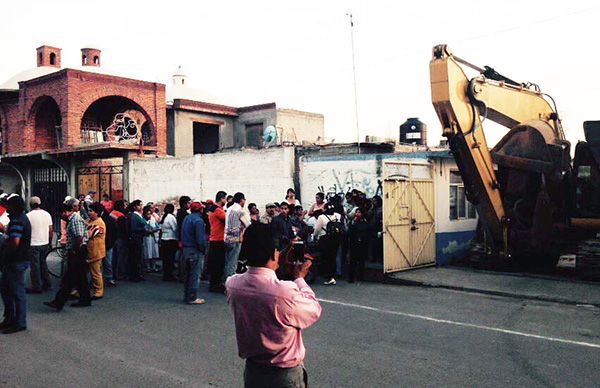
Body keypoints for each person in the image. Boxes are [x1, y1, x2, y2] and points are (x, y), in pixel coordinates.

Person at [226, 223, 321, 388]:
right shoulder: (285, 292)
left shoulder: (233, 284)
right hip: (283, 374)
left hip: (253, 371)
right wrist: (299, 279)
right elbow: (313, 310)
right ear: (274, 253)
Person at [44, 201, 92, 311]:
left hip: (77, 251)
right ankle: (85, 299)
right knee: (80, 278)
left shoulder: (75, 220)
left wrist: (74, 250)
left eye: (61, 215)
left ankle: (59, 302)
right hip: (77, 251)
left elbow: (79, 238)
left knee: (69, 278)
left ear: (65, 212)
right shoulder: (73, 219)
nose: (61, 218)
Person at [0, 195, 32, 334]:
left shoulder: (18, 220)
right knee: (7, 290)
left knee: (16, 292)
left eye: (8, 206)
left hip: (15, 260)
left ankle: (18, 322)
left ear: (14, 207)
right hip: (17, 260)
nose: (7, 208)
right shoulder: (20, 218)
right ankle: (10, 318)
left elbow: (15, 242)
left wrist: (5, 253)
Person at [180, 201, 207, 305]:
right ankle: (192, 297)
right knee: (195, 274)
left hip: (186, 249)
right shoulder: (198, 221)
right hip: (195, 249)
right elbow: (200, 239)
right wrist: (203, 249)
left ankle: (187, 295)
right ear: (200, 210)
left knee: (187, 274)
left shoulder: (187, 218)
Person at [25, 196, 53, 294]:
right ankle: (47, 283)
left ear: (30, 204)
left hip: (33, 243)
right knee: (43, 263)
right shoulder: (47, 214)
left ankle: (36, 286)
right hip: (44, 242)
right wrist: (50, 241)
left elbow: (26, 231)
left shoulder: (28, 216)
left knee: (35, 266)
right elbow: (51, 230)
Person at [313, 203, 343, 285]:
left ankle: (329, 276)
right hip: (336, 239)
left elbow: (317, 229)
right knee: (333, 257)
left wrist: (314, 236)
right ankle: (333, 275)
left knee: (326, 258)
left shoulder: (321, 217)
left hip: (325, 239)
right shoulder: (338, 216)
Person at [224, 192, 251, 280]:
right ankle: (229, 282)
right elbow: (248, 225)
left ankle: (225, 280)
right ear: (242, 200)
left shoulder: (229, 209)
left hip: (226, 238)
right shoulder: (240, 211)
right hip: (236, 239)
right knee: (233, 262)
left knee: (227, 261)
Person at [207, 191, 227, 293]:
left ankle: (214, 284)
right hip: (218, 239)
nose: (226, 201)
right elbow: (228, 219)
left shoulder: (213, 209)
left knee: (216, 263)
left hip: (214, 238)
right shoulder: (218, 210)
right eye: (225, 199)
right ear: (222, 198)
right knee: (218, 264)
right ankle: (215, 285)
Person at [86, 203, 106, 299]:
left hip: (96, 252)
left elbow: (89, 234)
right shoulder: (90, 221)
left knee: (95, 273)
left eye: (91, 211)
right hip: (89, 251)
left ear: (97, 213)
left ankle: (99, 291)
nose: (89, 212)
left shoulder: (99, 223)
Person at [347, 208, 370, 283]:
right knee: (352, 261)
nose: (357, 214)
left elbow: (366, 231)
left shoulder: (364, 222)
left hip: (362, 243)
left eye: (359, 212)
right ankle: (351, 277)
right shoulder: (353, 222)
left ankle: (361, 276)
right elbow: (349, 232)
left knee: (361, 261)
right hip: (354, 243)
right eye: (356, 212)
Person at [128, 200, 147, 282]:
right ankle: (134, 275)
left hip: (139, 238)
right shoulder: (134, 216)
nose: (141, 207)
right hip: (135, 239)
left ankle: (138, 274)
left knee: (138, 257)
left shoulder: (140, 215)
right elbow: (134, 228)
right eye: (140, 205)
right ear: (135, 207)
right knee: (135, 257)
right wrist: (144, 229)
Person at [110, 200, 128, 282]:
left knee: (114, 257)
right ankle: (119, 274)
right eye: (124, 205)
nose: (125, 207)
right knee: (120, 257)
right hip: (119, 238)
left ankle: (113, 273)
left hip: (113, 238)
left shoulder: (112, 213)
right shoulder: (121, 215)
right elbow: (124, 229)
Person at [160, 203, 178, 281]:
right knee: (170, 258)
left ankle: (166, 274)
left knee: (165, 259)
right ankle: (169, 275)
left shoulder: (164, 217)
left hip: (164, 239)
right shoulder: (171, 217)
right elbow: (175, 228)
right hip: (171, 239)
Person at [100, 202, 117, 287]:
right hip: (106, 243)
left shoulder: (109, 220)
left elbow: (113, 233)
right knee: (107, 262)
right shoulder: (110, 219)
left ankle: (108, 278)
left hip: (107, 243)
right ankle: (108, 278)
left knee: (106, 262)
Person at [142, 205, 160, 273]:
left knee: (154, 252)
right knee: (147, 252)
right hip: (146, 238)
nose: (149, 216)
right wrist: (147, 230)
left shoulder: (153, 219)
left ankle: (154, 266)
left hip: (153, 237)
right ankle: (148, 267)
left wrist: (153, 229)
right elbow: (144, 229)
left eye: (150, 214)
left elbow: (157, 227)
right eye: (147, 214)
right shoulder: (143, 220)